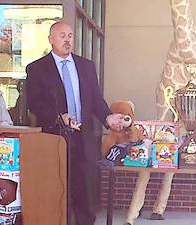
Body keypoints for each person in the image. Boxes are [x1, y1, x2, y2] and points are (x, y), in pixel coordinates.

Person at [25, 21, 124, 225]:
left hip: (84, 139)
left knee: (85, 193)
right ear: (51, 39)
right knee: (56, 190)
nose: (67, 39)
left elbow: (96, 99)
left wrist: (108, 117)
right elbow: (35, 102)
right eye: (62, 35)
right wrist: (58, 116)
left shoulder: (86, 66)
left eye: (70, 35)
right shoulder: (37, 68)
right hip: (54, 139)